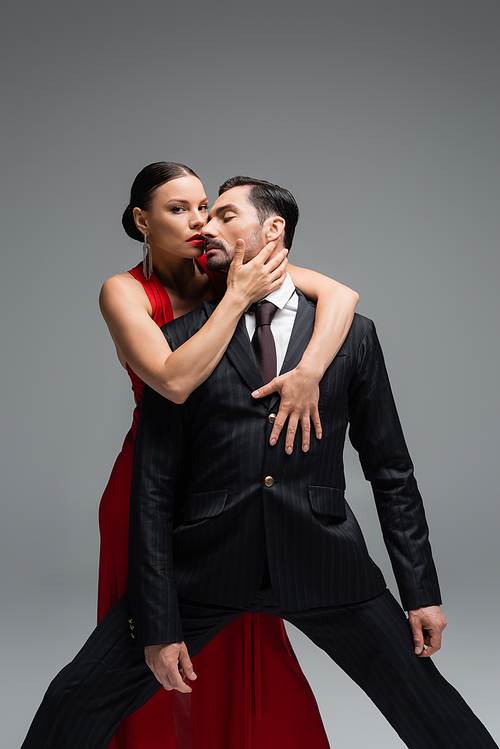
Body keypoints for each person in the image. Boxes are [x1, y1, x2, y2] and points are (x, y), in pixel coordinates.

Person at [22, 175, 498, 749]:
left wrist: (420, 590)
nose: (204, 227)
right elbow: (153, 489)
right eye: (194, 213)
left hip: (324, 560)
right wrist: (157, 622)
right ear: (142, 220)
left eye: (221, 214)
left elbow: (391, 469)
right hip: (208, 564)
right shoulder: (181, 340)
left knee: (432, 709)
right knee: (75, 700)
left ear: (272, 230)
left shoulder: (352, 338)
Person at [95, 162, 360, 748]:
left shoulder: (221, 267)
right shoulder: (124, 291)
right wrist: (236, 297)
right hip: (150, 482)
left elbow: (341, 296)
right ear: (142, 220)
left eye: (205, 208)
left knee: (250, 641)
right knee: (151, 647)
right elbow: (173, 379)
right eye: (178, 209)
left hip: (230, 481)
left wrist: (309, 372)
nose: (199, 222)